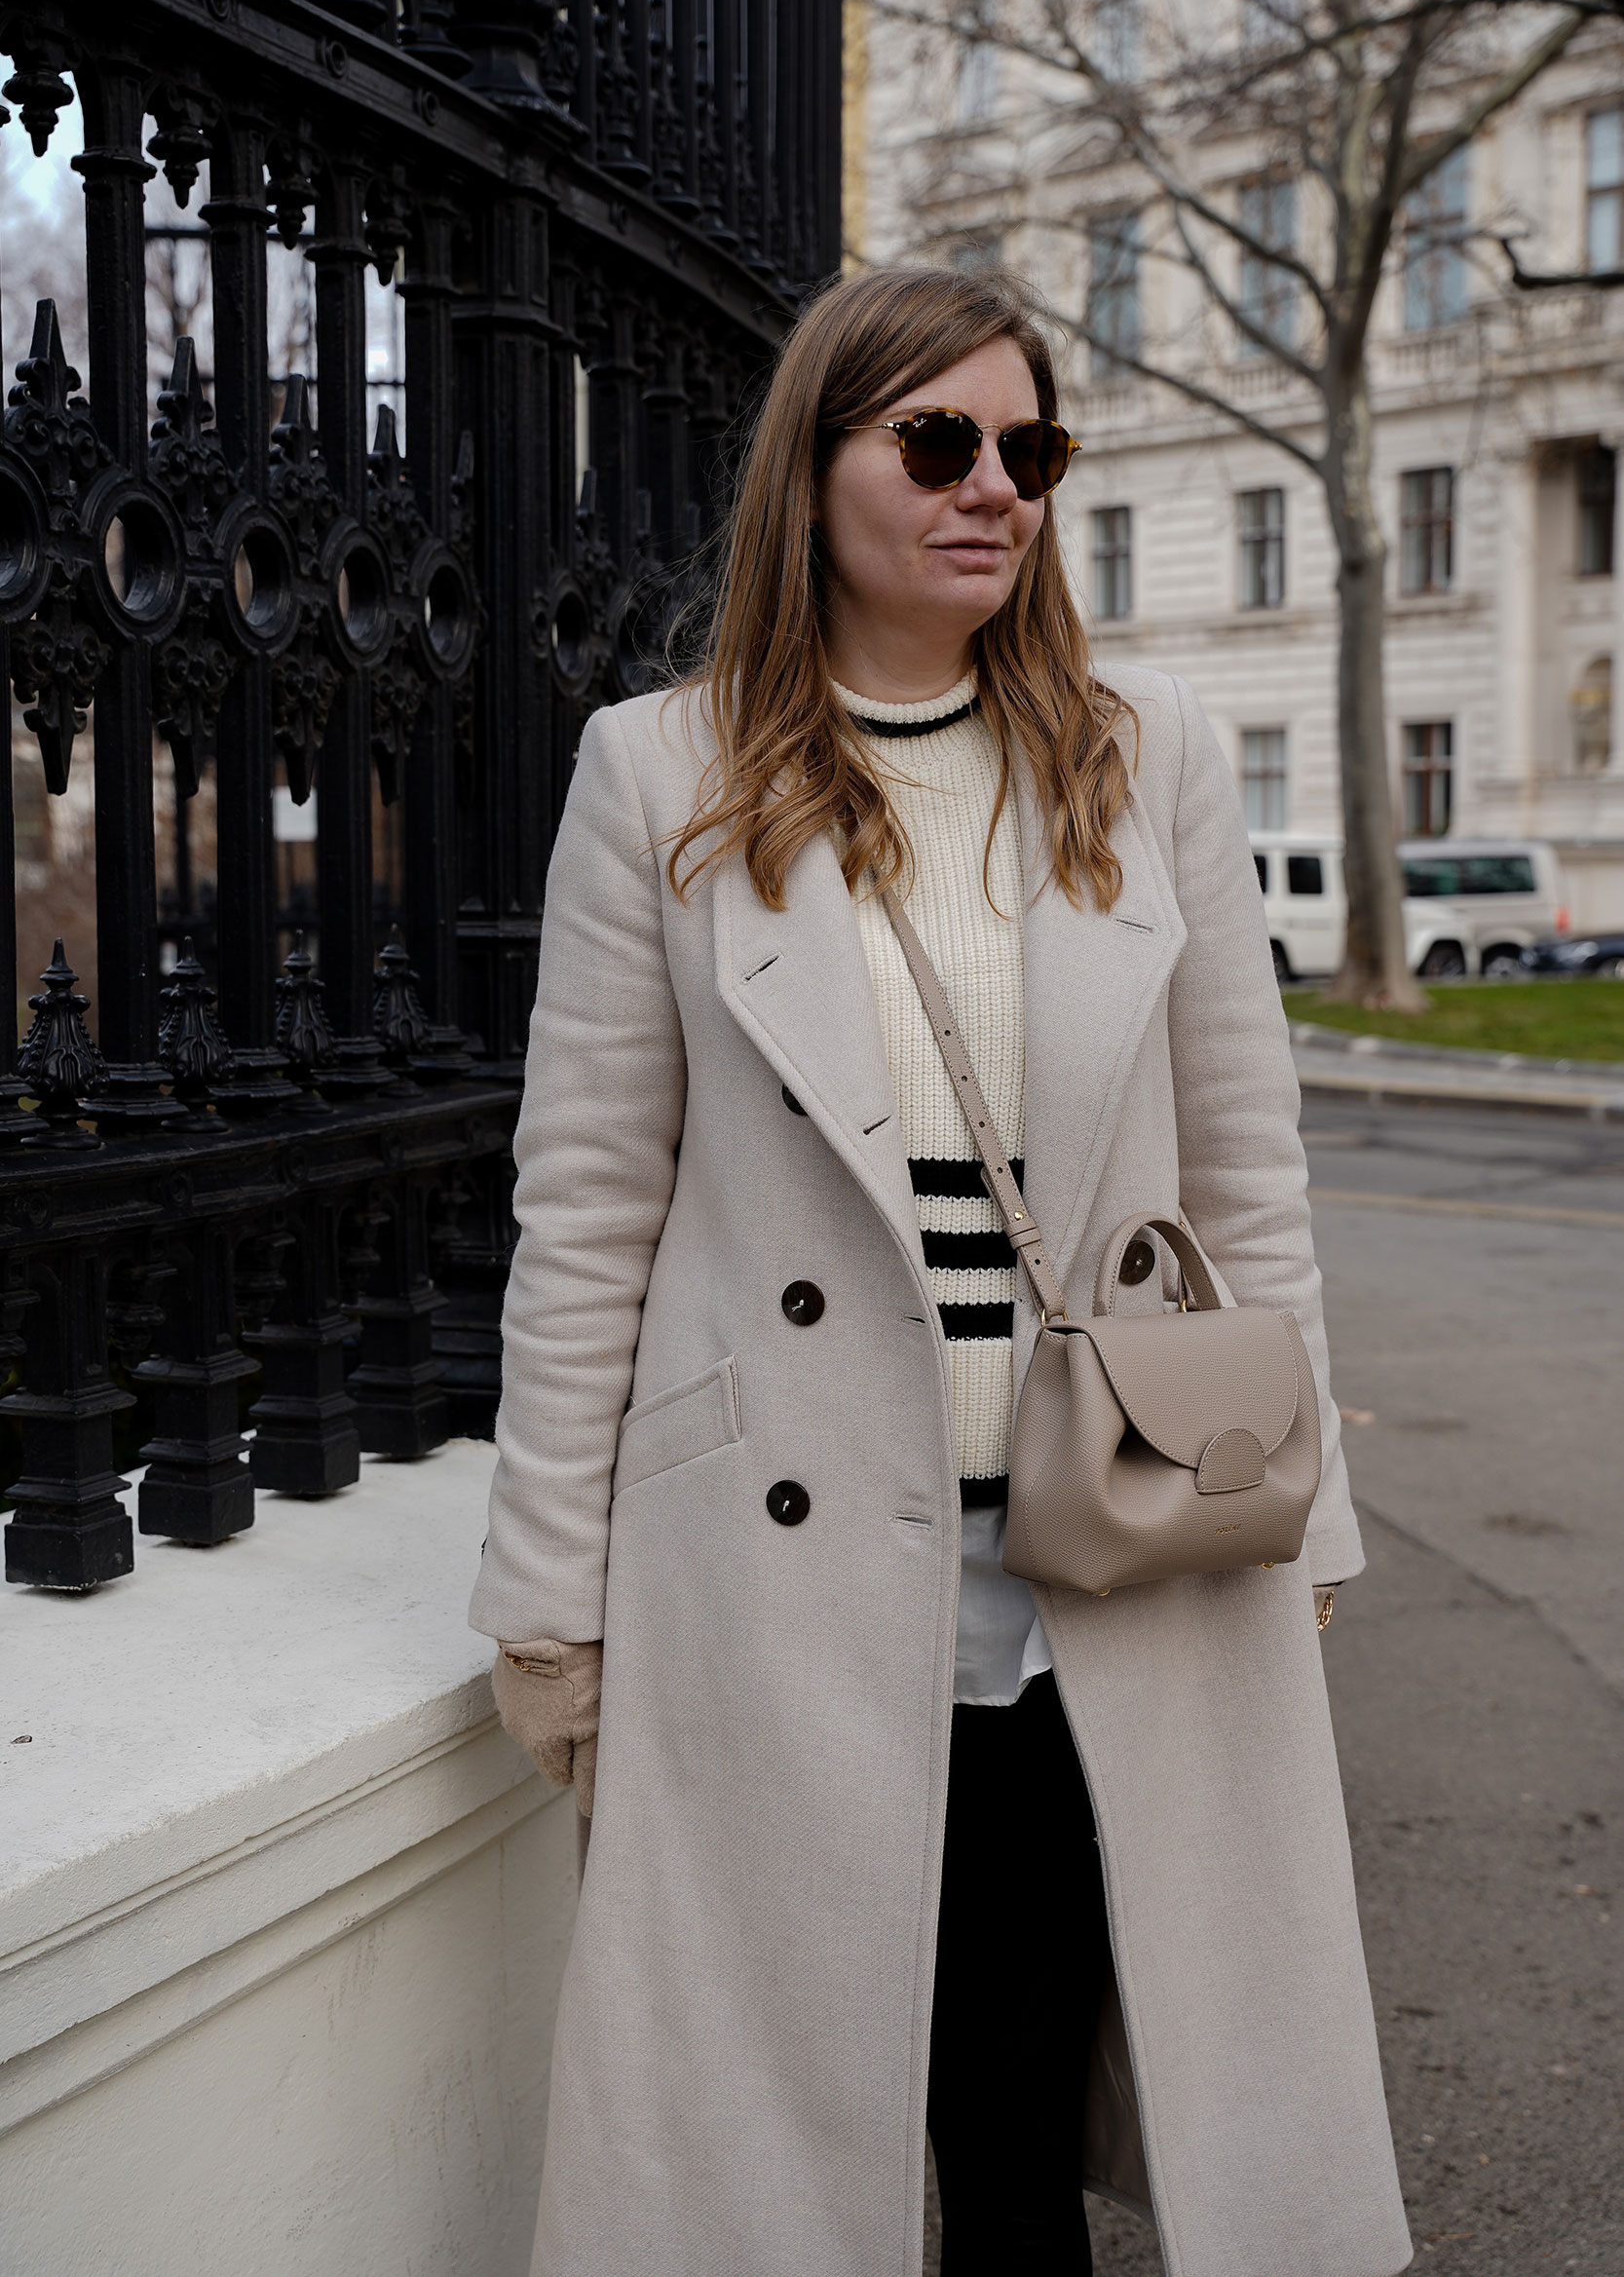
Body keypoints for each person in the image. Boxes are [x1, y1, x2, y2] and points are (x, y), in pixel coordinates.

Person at [470, 265, 1412, 2277]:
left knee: (1012, 2136)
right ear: (811, 475)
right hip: (789, 1582)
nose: (994, 486)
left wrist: (1303, 1496)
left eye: (1029, 449)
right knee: (775, 2146)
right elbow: (588, 1212)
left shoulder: (1141, 758)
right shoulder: (665, 773)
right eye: (938, 441)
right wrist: (551, 1588)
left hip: (1119, 1558)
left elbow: (1249, 1165)